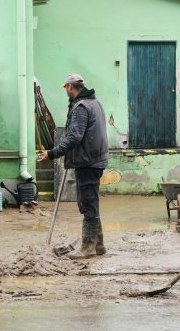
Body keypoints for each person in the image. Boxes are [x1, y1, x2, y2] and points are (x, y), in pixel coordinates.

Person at [37, 74, 108, 259]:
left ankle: (88, 248)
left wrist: (52, 154)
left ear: (70, 87)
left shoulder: (81, 107)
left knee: (87, 204)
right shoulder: (95, 103)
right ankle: (98, 245)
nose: (66, 92)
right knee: (91, 203)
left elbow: (75, 136)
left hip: (88, 161)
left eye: (66, 88)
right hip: (94, 159)